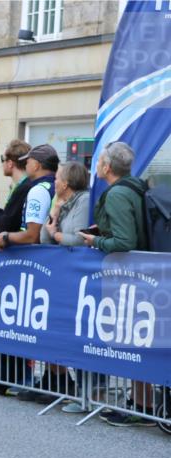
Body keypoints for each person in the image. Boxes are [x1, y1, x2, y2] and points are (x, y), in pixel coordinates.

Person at [80, 141, 154, 427]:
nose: (96, 165)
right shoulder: (135, 188)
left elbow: (125, 241)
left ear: (107, 167)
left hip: (131, 276)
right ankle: (141, 403)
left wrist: (95, 240)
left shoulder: (118, 194)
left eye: (99, 161)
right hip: (142, 274)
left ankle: (142, 405)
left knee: (134, 341)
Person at [0, 144, 56, 251]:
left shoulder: (38, 190)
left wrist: (6, 236)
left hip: (35, 256)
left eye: (28, 161)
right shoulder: (55, 185)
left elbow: (33, 236)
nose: (25, 164)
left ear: (36, 165)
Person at [0, 139, 34, 234]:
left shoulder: (24, 188)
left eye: (2, 159)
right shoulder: (23, 185)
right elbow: (8, 219)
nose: (2, 163)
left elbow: (5, 226)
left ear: (10, 163)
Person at [42, 161, 90, 246]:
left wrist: (55, 234)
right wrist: (54, 213)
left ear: (65, 184)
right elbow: (44, 240)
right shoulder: (63, 204)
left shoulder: (84, 200)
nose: (54, 182)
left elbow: (80, 240)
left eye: (56, 178)